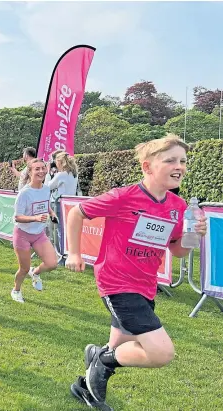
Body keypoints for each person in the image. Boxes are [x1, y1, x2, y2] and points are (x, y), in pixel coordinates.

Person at [65, 135, 207, 409]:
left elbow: (177, 251)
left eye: (183, 161)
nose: (179, 166)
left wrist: (193, 238)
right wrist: (74, 252)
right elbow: (77, 213)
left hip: (145, 285)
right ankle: (102, 361)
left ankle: (87, 383)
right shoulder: (123, 196)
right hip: (117, 284)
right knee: (161, 353)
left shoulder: (179, 208)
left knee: (119, 346)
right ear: (147, 167)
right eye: (170, 160)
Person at [11, 159, 59, 303]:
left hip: (39, 234)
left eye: (43, 168)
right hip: (22, 235)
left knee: (52, 264)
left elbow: (45, 204)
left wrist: (51, 213)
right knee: (23, 269)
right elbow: (17, 217)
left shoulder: (46, 189)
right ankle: (16, 290)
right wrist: (35, 218)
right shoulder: (24, 193)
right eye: (36, 169)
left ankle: (36, 272)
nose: (41, 171)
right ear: (30, 172)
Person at [45, 152, 79, 251]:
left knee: (59, 230)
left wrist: (48, 173)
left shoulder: (61, 175)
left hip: (58, 204)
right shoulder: (74, 174)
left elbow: (47, 187)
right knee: (67, 229)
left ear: (60, 162)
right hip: (70, 204)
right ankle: (67, 251)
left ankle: (61, 253)